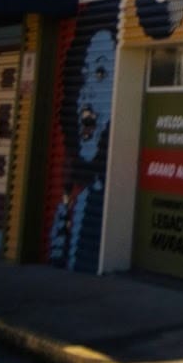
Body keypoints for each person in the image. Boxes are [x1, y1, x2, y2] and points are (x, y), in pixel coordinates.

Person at [48, 26, 115, 271]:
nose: (86, 94)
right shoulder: (72, 197)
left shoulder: (98, 194)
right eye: (82, 75)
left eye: (99, 74)